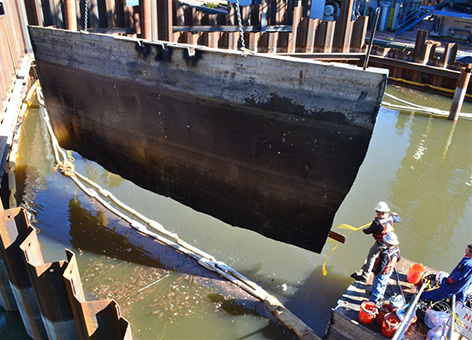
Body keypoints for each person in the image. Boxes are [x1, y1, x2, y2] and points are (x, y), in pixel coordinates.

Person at [351, 201, 401, 283]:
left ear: (379, 211)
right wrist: (395, 214)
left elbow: (368, 231)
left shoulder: (377, 223)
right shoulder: (391, 217)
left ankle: (365, 276)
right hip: (389, 243)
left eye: (377, 211)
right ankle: (379, 268)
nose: (376, 213)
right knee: (382, 257)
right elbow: (398, 219)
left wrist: (364, 229)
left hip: (380, 243)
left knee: (371, 257)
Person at [369, 232, 401, 303]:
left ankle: (373, 301)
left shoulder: (385, 254)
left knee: (377, 286)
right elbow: (399, 259)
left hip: (382, 273)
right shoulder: (397, 249)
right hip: (389, 271)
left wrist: (375, 273)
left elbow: (381, 266)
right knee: (383, 284)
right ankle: (380, 296)